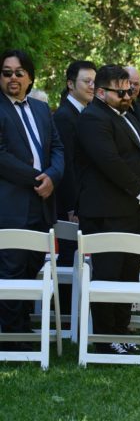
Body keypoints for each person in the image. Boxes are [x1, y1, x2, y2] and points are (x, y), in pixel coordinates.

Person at [76, 64, 140, 355]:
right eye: (121, 91)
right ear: (101, 92)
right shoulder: (92, 118)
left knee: (127, 274)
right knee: (108, 276)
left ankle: (122, 332)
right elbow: (109, 161)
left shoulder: (128, 115)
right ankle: (104, 338)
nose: (128, 95)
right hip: (105, 211)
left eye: (129, 90)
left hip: (130, 209)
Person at [0, 49, 64, 350]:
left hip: (42, 205)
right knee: (11, 271)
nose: (13, 77)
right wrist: (37, 178)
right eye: (6, 72)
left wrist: (52, 175)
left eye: (18, 72)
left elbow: (58, 149)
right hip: (12, 207)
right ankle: (12, 339)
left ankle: (22, 329)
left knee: (32, 267)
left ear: (29, 77)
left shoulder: (40, 109)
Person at [53, 61, 95, 264]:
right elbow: (66, 164)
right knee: (69, 261)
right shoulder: (64, 116)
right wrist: (72, 206)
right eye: (87, 81)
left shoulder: (84, 113)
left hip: (82, 203)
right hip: (69, 207)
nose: (92, 86)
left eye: (95, 82)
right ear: (70, 84)